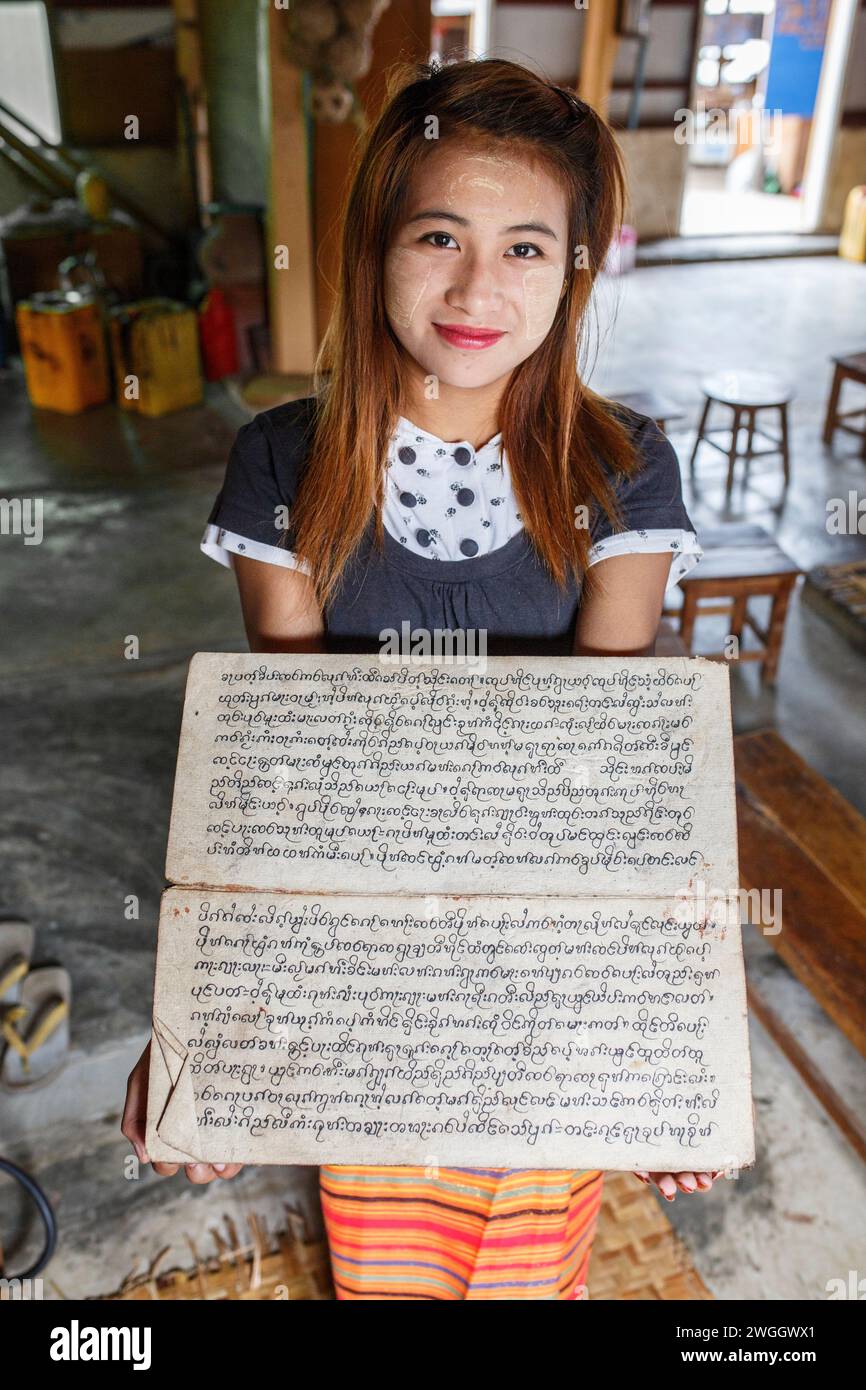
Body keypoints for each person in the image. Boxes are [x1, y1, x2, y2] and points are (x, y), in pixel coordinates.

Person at [123, 56, 724, 1301]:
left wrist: (664, 1054)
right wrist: (210, 1039)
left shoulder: (624, 471)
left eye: (524, 247)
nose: (473, 287)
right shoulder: (283, 464)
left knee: (524, 1261)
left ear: (574, 266)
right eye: (437, 234)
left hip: (542, 975)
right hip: (364, 978)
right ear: (374, 241)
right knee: (385, 1260)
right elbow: (280, 783)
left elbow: (612, 794)